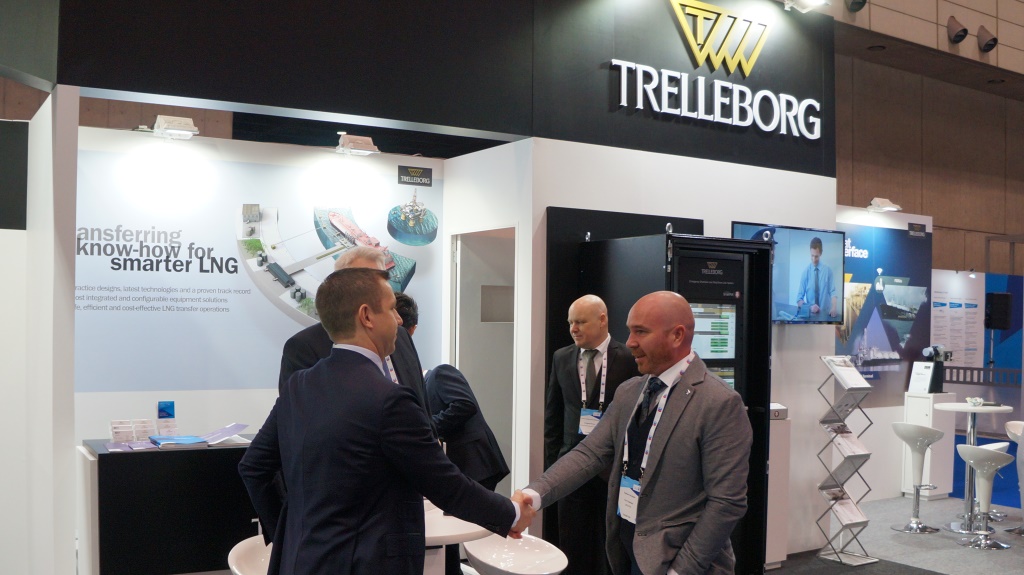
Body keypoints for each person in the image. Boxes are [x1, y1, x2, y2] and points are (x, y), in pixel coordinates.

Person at [240, 268, 534, 575]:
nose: (398, 320)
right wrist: (512, 514)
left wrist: (289, 533)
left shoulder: (298, 387)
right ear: (367, 316)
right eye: (392, 308)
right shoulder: (389, 400)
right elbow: (446, 485)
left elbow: (253, 467)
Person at [524, 291, 751, 575]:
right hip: (626, 549)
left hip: (679, 562)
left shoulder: (719, 403)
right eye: (630, 331)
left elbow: (726, 503)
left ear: (677, 335)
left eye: (641, 332)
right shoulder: (630, 391)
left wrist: (682, 570)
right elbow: (589, 453)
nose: (630, 342)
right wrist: (533, 496)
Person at [544, 294, 639, 575]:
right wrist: (553, 466)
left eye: (580, 322)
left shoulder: (629, 358)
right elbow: (553, 416)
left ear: (602, 320)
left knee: (613, 542)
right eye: (570, 322)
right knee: (573, 543)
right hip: (571, 467)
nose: (573, 329)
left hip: (614, 469)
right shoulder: (562, 357)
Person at [278, 246, 429, 421]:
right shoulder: (304, 347)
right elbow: (296, 419)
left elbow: (423, 404)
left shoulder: (401, 336)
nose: (379, 287)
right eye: (367, 280)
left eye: (382, 278)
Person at [795, 236, 837, 318]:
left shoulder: (828, 271)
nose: (814, 259)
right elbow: (799, 299)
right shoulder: (805, 273)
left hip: (826, 316)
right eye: (812, 255)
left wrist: (834, 307)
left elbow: (833, 292)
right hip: (811, 317)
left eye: (816, 256)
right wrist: (810, 308)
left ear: (821, 253)